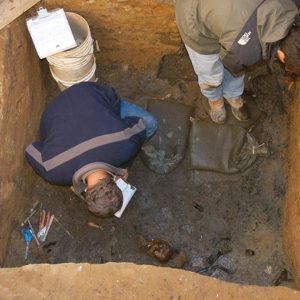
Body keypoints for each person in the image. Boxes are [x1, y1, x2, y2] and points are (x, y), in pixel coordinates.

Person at [25, 82, 158, 218]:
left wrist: (123, 163)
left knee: (150, 123)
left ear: (114, 181)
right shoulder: (53, 172)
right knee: (149, 125)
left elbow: (139, 125)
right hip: (54, 110)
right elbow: (31, 149)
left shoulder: (125, 146)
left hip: (87, 92)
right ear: (86, 192)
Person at [175, 0, 300, 124]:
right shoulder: (245, 51)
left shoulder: (291, 3)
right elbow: (234, 63)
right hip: (193, 15)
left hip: (229, 18)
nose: (285, 66)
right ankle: (215, 101)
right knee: (211, 75)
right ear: (283, 54)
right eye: (287, 64)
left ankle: (233, 98)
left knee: (235, 69)